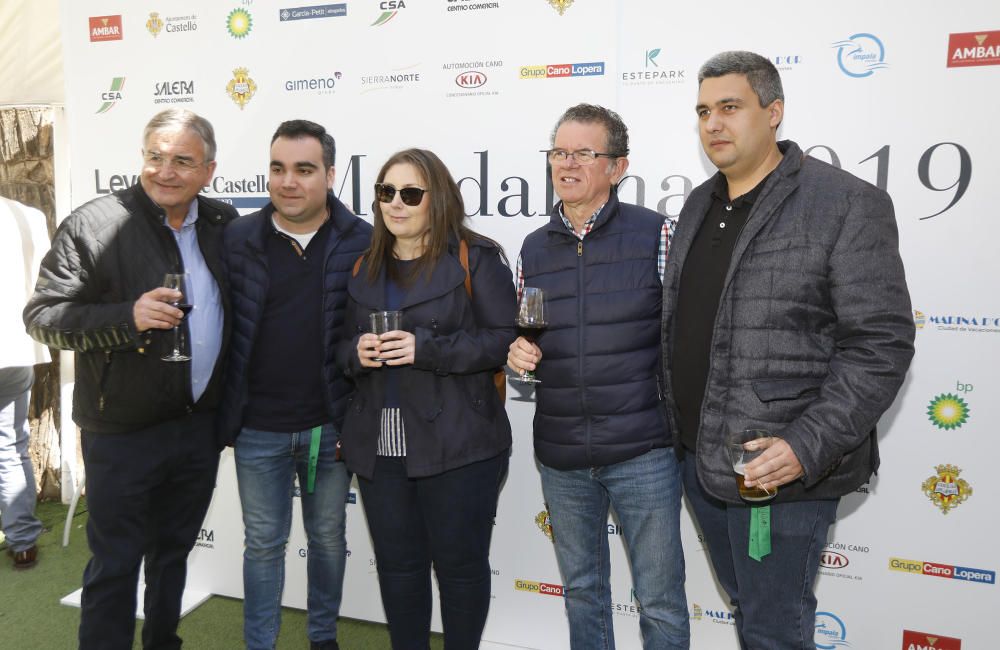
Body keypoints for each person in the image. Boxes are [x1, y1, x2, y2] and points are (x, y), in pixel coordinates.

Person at [662, 51, 915, 649]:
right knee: (752, 613)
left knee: (775, 631)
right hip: (700, 462)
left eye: (730, 107)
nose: (713, 124)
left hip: (779, 474)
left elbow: (880, 345)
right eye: (703, 111)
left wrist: (805, 446)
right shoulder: (699, 204)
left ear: (773, 112)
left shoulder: (846, 204)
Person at [23, 108, 237, 649]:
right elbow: (43, 318)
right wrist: (127, 317)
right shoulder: (94, 224)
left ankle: (163, 641)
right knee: (116, 562)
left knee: (173, 554)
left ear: (208, 171)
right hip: (120, 431)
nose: (165, 171)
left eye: (182, 161)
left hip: (197, 428)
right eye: (155, 157)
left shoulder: (222, 225)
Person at [506, 104, 689, 649]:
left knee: (659, 599)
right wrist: (517, 350)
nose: (567, 164)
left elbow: (686, 333)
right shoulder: (533, 248)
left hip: (644, 451)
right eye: (559, 152)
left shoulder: (657, 235)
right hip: (561, 453)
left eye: (584, 153)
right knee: (583, 591)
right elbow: (527, 329)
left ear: (618, 166)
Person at [336, 148, 515, 649]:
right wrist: (357, 352)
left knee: (459, 569)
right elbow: (337, 346)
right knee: (398, 569)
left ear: (436, 199)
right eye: (385, 192)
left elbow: (505, 339)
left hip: (457, 442)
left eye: (410, 193)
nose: (395, 203)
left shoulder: (474, 257)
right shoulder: (363, 267)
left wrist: (427, 349)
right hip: (380, 445)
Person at [218, 119, 372, 650]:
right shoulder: (237, 237)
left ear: (330, 175)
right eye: (278, 169)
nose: (288, 182)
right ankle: (259, 643)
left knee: (328, 539)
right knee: (262, 543)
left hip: (330, 426)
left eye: (304, 170)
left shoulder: (362, 240)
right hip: (257, 426)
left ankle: (322, 637)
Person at [1, 196, 50, 570]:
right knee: (10, 445)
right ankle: (22, 542)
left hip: (15, 348)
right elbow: (45, 288)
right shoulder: (28, 217)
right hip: (14, 347)